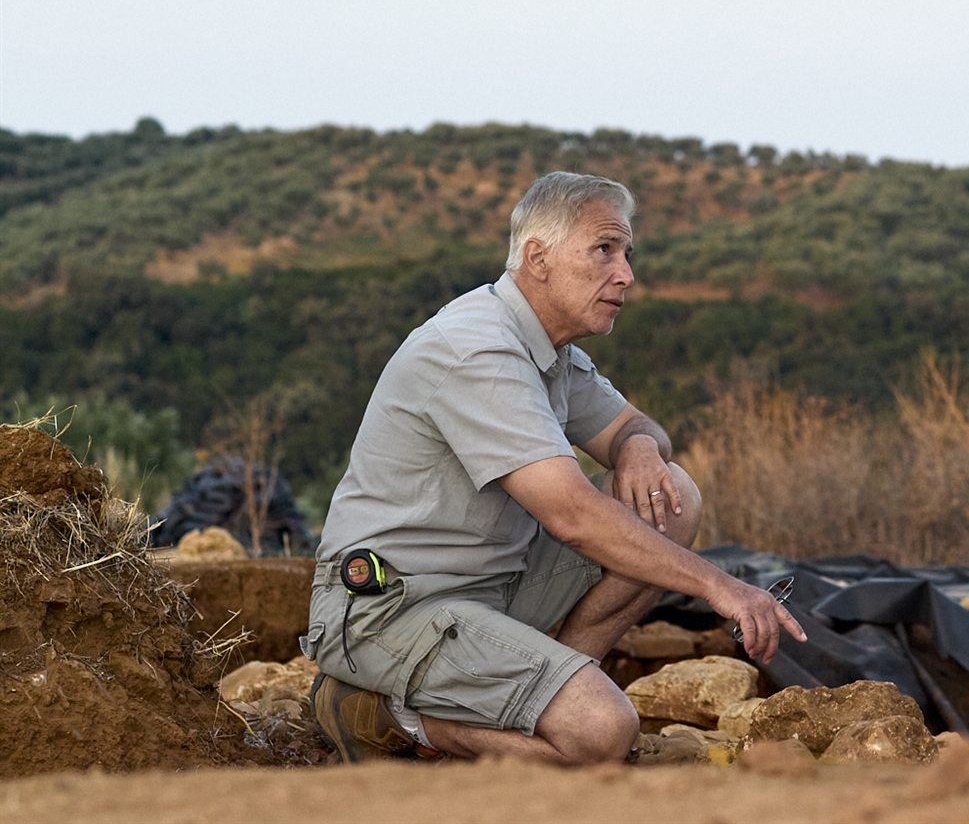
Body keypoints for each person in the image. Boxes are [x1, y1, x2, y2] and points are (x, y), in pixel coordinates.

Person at [307, 171, 805, 765]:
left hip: (491, 591)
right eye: (603, 250)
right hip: (392, 607)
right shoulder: (480, 349)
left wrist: (639, 450)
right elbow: (571, 515)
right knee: (600, 732)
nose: (625, 273)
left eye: (625, 253)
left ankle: (541, 692)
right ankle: (385, 717)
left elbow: (638, 429)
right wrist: (722, 587)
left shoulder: (552, 350)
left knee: (674, 497)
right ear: (538, 258)